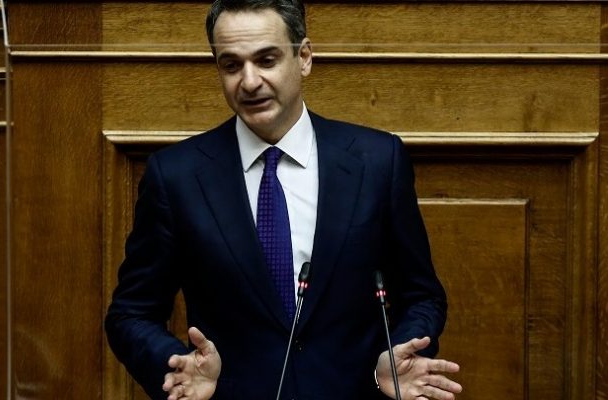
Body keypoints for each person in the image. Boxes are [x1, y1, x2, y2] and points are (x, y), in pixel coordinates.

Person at [105, 1, 463, 399]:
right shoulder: (176, 176)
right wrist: (175, 366)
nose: (249, 81)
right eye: (231, 65)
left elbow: (421, 295)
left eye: (266, 60)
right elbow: (130, 313)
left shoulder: (377, 161)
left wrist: (397, 359)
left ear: (304, 57)